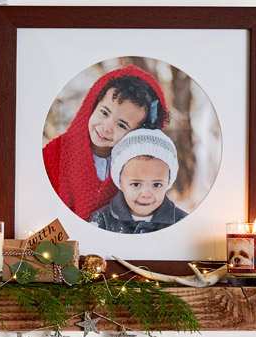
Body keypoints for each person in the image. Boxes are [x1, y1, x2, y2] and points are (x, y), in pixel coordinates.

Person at [42, 65, 169, 220]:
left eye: (121, 125)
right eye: (104, 112)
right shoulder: (56, 153)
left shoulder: (138, 166)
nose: (107, 127)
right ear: (93, 105)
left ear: (137, 134)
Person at [89, 128, 187, 234]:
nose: (146, 194)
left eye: (157, 184)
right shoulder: (102, 220)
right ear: (120, 182)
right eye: (136, 184)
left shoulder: (182, 222)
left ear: (168, 182)